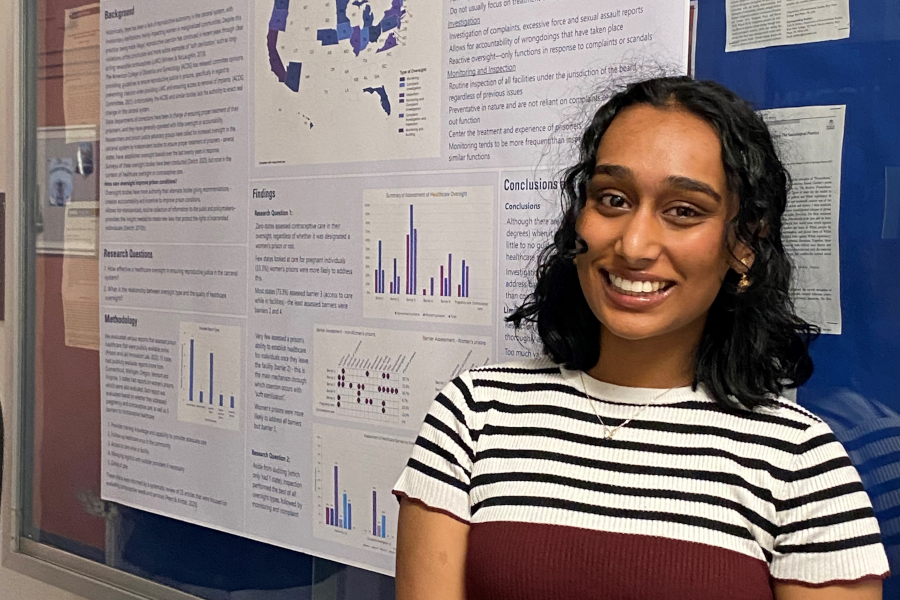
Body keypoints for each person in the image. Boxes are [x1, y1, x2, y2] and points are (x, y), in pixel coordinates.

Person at [392, 77, 890, 600]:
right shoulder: (475, 415)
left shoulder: (799, 460)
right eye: (613, 199)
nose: (634, 244)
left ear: (745, 242)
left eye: (683, 210)